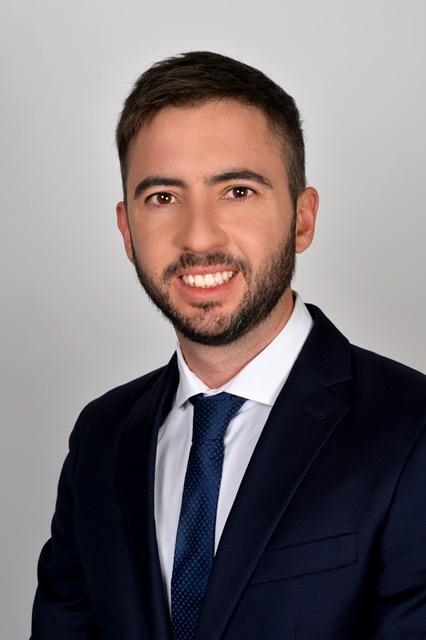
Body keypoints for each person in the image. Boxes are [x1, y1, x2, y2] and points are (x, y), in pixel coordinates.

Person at [31, 51, 425, 640]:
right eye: (163, 197)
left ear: (302, 219)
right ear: (127, 230)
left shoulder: (412, 429)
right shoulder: (100, 437)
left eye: (238, 191)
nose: (198, 237)